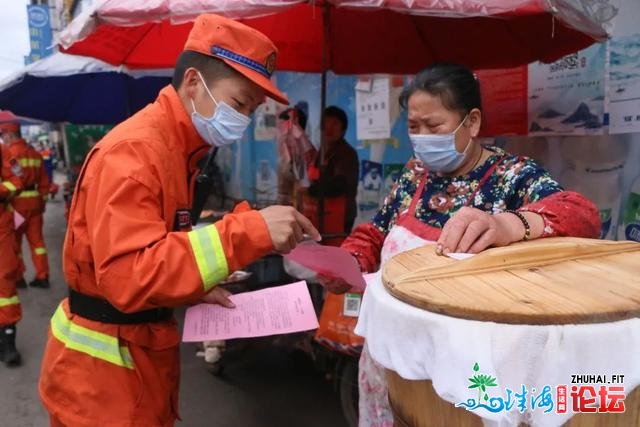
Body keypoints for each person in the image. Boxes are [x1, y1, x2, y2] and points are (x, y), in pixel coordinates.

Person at [39, 14, 320, 427]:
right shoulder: (135, 153)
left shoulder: (179, 151)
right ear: (193, 83)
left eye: (252, 109)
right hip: (102, 382)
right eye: (239, 103)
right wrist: (248, 231)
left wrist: (189, 289)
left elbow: (156, 250)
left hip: (136, 363)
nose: (242, 121)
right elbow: (128, 276)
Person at [318, 63, 601, 426]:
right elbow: (377, 229)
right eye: (413, 128)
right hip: (389, 362)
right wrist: (352, 259)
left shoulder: (512, 176)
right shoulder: (414, 173)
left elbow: (583, 215)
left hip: (461, 377)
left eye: (434, 127)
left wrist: (508, 224)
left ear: (472, 123)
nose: (421, 139)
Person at [1, 120, 51, 289]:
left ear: (10, 134)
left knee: (15, 244)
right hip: (35, 204)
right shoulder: (35, 153)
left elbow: (15, 182)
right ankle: (43, 275)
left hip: (17, 206)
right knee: (38, 243)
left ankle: (18, 277)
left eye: (3, 135)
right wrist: (42, 201)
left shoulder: (10, 154)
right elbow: (45, 181)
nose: (4, 139)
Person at [307, 106, 359, 233]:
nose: (329, 129)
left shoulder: (346, 153)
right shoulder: (323, 150)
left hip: (340, 217)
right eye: (326, 124)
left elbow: (339, 185)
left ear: (343, 129)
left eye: (334, 124)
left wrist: (309, 190)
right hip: (321, 214)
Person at [0, 132, 24, 366]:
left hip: (1, 228)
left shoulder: (3, 151)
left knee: (4, 282)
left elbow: (17, 180)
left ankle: (7, 340)